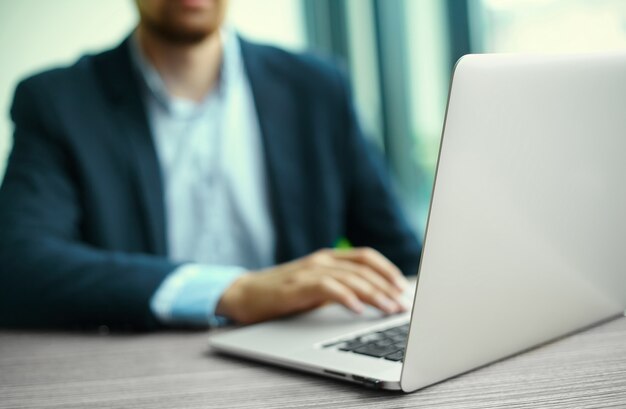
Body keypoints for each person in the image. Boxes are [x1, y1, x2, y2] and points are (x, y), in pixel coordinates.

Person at [0, 0, 421, 330]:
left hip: (302, 364)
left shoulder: (316, 87)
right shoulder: (58, 101)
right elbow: (17, 266)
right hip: (142, 375)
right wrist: (233, 292)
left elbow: (401, 256)